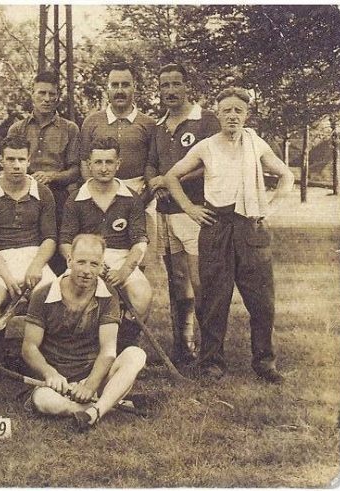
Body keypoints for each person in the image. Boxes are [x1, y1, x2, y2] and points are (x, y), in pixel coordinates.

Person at [163, 87, 294, 383]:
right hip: (216, 227)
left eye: (238, 110)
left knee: (262, 300)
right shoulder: (206, 146)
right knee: (212, 299)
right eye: (227, 111)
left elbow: (286, 175)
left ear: (246, 115)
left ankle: (264, 362)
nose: (232, 116)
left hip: (251, 228)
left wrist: (270, 208)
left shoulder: (255, 142)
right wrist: (189, 208)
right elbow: (172, 176)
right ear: (218, 114)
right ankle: (212, 363)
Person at [21, 234, 146, 430]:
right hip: (56, 384)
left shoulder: (108, 295)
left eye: (94, 264)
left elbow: (108, 351)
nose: (87, 271)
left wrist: (90, 386)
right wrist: (50, 373)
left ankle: (93, 412)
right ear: (69, 260)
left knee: (136, 355)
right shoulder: (43, 294)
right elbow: (29, 347)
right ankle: (104, 406)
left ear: (102, 265)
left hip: (93, 377)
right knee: (43, 400)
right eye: (81, 262)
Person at [145, 63, 221, 366]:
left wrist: (173, 180)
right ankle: (184, 346)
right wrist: (155, 183)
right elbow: (152, 164)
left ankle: (211, 352)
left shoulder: (205, 121)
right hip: (166, 213)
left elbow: (213, 163)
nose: (171, 91)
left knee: (201, 281)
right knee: (178, 282)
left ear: (187, 86)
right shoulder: (158, 125)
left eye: (176, 84)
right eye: (165, 86)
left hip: (196, 213)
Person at [60, 137, 152, 353]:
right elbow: (65, 241)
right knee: (69, 296)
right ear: (89, 164)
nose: (103, 168)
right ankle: (79, 351)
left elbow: (140, 240)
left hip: (121, 258)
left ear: (118, 164)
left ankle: (121, 348)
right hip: (85, 258)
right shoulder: (75, 199)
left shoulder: (131, 198)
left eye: (109, 162)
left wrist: (125, 271)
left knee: (142, 295)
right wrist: (85, 265)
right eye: (98, 162)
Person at [78, 62, 156, 264]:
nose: (120, 90)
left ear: (134, 87)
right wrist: (96, 192)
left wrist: (141, 198)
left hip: (140, 195)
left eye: (125, 84)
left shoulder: (148, 124)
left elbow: (153, 165)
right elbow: (84, 162)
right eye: (114, 85)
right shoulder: (92, 122)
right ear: (107, 89)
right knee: (99, 255)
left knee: (140, 258)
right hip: (99, 195)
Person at [0, 135, 58, 326]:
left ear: (29, 161)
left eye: (21, 159)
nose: (16, 165)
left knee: (53, 299)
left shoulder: (43, 193)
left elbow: (50, 238)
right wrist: (7, 277)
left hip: (34, 259)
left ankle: (45, 351)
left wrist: (36, 266)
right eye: (11, 159)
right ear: (1, 161)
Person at [7, 71, 80, 275]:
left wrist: (52, 176)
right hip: (24, 195)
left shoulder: (70, 129)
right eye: (42, 93)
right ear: (32, 94)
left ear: (58, 96)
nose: (47, 99)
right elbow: (8, 165)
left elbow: (76, 171)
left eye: (52, 94)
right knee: (26, 248)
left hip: (58, 198)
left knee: (57, 250)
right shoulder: (17, 129)